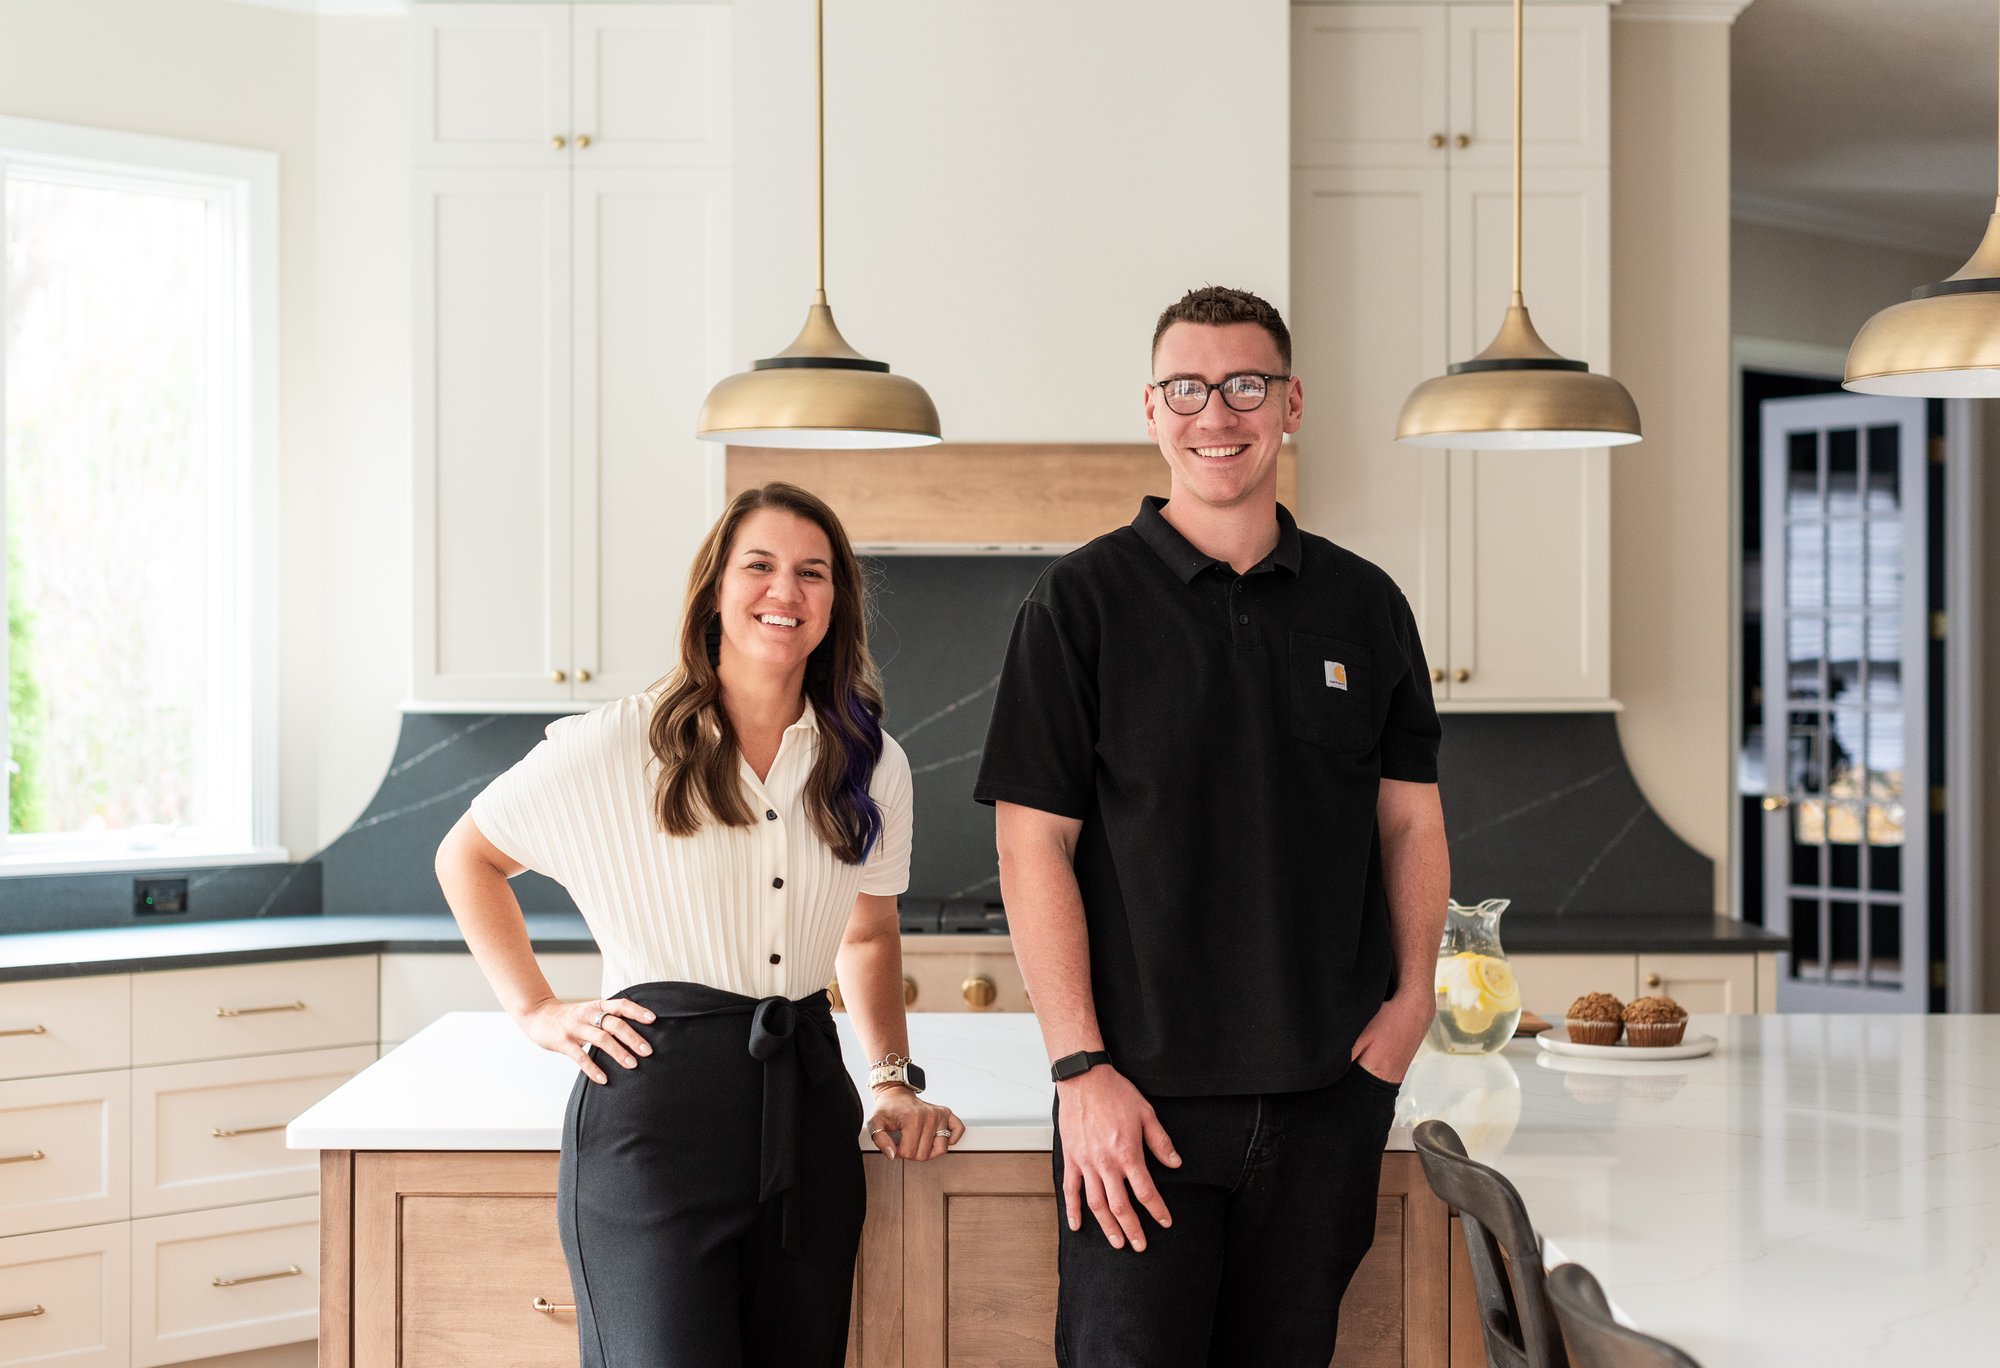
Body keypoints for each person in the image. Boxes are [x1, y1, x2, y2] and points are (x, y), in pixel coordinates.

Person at [974, 286, 1449, 1367]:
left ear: (1290, 404)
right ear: (1151, 410)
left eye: (1245, 385)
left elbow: (1410, 826)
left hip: (1329, 1095)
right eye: (1188, 387)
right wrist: (1077, 1069)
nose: (1216, 414)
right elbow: (1028, 844)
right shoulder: (1076, 605)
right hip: (1136, 1107)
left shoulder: (1364, 606)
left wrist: (1413, 999)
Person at [435, 481, 963, 1368]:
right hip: (653, 1122)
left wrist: (891, 1081)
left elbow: (867, 935)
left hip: (807, 1115)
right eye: (759, 566)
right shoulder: (615, 744)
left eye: (812, 573)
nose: (784, 593)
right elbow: (468, 857)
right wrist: (534, 1010)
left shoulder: (872, 763)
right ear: (715, 588)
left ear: (837, 604)